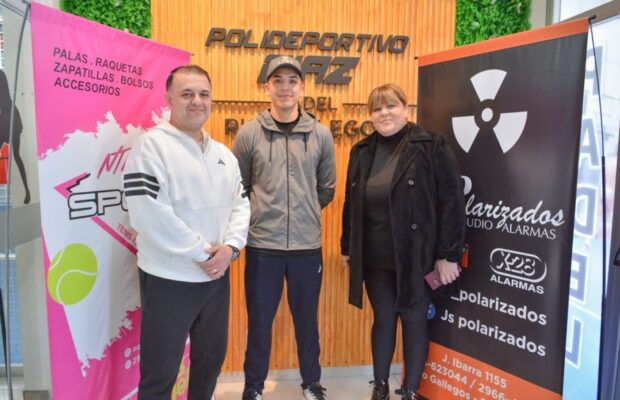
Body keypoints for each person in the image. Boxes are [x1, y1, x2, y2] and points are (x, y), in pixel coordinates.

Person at [124, 65, 250, 400]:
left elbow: (241, 204)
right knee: (160, 374)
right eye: (187, 93)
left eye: (203, 94)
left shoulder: (223, 154)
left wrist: (230, 248)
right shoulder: (150, 147)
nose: (197, 101)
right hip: (169, 279)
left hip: (216, 277)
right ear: (168, 98)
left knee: (210, 362)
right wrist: (204, 254)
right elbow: (150, 214)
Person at [340, 83, 466, 400]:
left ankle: (410, 390)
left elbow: (451, 201)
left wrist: (449, 254)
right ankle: (380, 386)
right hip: (375, 258)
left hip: (417, 257)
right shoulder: (362, 150)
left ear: (406, 109)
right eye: (377, 109)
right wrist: (347, 247)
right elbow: (350, 203)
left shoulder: (431, 145)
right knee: (383, 320)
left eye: (390, 106)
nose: (384, 113)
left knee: (414, 321)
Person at [233, 55, 336, 400]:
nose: (285, 87)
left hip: (307, 248)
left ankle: (311, 383)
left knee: (307, 322)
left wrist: (304, 212)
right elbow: (238, 188)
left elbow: (327, 188)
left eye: (292, 81)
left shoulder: (320, 134)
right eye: (278, 80)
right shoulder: (249, 133)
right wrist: (264, 216)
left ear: (302, 87)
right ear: (268, 87)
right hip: (263, 247)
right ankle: (253, 387)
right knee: (259, 323)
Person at [0, 69, 31, 204]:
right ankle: (27, 190)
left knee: (17, 156)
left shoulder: (0, 76)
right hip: (9, 116)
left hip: (8, 118)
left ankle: (27, 190)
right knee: (17, 156)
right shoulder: (2, 76)